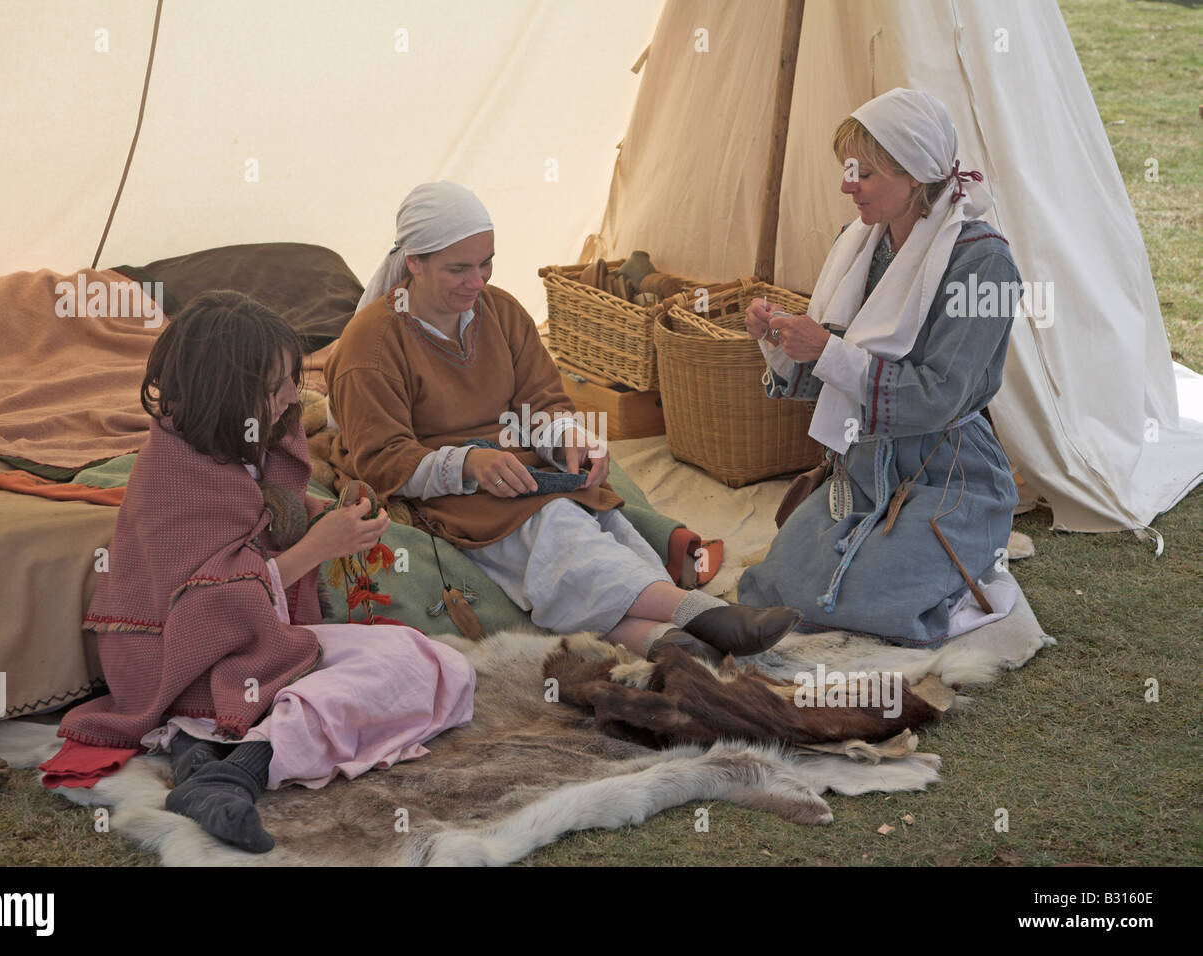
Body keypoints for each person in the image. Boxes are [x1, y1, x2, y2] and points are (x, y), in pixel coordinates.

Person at [55, 290, 475, 853]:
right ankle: (234, 768)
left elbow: (259, 527)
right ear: (224, 391)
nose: (290, 397)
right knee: (377, 681)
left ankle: (209, 764)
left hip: (256, 643)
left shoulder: (253, 446)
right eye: (274, 385)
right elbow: (205, 603)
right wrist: (318, 548)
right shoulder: (172, 471)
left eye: (289, 381)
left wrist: (328, 515)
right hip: (178, 661)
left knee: (435, 664)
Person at [325, 182, 800, 666]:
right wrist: (470, 464)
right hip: (452, 494)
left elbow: (543, 400)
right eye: (458, 269)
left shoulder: (502, 312)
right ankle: (706, 614)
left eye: (486, 262)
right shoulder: (372, 345)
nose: (478, 281)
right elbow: (381, 458)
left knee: (605, 524)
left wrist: (568, 439)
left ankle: (669, 644)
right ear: (414, 262)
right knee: (556, 530)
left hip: (523, 472)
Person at [738, 88, 1021, 647]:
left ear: (914, 174)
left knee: (866, 594)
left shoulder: (982, 262)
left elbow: (938, 395)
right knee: (777, 585)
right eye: (848, 170)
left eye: (864, 173)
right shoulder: (858, 243)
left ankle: (957, 580)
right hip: (862, 469)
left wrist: (826, 350)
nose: (847, 186)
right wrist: (778, 338)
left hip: (946, 473)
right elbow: (831, 368)